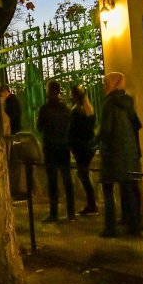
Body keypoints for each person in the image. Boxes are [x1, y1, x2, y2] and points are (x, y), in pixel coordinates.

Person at [98, 72, 142, 237]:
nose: (103, 86)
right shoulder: (128, 102)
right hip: (130, 152)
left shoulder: (109, 104)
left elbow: (106, 129)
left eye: (105, 83)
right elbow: (137, 125)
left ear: (112, 84)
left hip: (112, 153)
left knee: (108, 189)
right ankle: (134, 225)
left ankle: (110, 228)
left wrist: (97, 140)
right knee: (129, 188)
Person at [37, 81, 75, 222]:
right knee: (67, 179)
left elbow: (39, 127)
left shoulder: (45, 109)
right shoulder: (66, 109)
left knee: (52, 180)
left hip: (50, 147)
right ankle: (71, 212)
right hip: (64, 146)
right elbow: (69, 127)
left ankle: (54, 213)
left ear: (48, 91)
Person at [69, 86, 99, 215]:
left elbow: (73, 131)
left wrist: (71, 146)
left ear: (75, 96)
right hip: (89, 146)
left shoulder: (75, 112)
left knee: (83, 174)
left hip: (80, 148)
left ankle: (92, 204)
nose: (70, 97)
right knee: (83, 174)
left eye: (71, 95)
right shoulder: (89, 109)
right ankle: (91, 203)